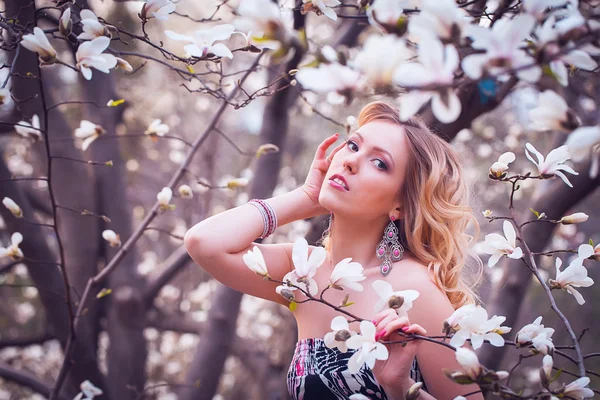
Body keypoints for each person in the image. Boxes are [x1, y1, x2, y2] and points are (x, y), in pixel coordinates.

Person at [184, 101, 485, 400]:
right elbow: (204, 243)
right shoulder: (302, 272)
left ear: (400, 204)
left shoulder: (415, 291)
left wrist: (402, 389)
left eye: (379, 163)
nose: (351, 161)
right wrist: (304, 197)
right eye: (353, 146)